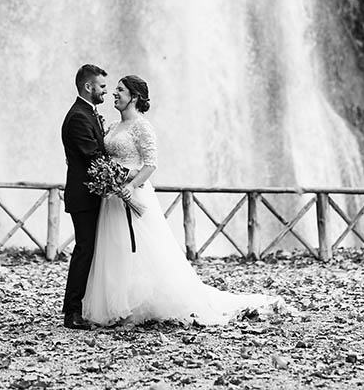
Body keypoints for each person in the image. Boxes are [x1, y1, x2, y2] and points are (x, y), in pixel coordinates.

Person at [82, 75, 284, 326]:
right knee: (115, 248)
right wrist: (110, 180)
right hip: (113, 197)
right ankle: (115, 305)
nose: (114, 93)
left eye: (120, 90)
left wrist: (130, 186)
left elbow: (150, 164)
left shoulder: (142, 127)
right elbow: (105, 158)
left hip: (133, 193)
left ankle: (136, 307)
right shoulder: (112, 127)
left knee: (141, 250)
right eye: (114, 89)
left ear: (133, 97)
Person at [61, 64, 108, 329]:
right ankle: (72, 312)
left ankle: (84, 307)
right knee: (84, 250)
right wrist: (125, 173)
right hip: (84, 196)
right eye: (102, 86)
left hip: (90, 195)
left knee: (89, 250)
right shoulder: (79, 116)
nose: (106, 91)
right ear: (88, 87)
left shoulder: (87, 113)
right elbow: (94, 156)